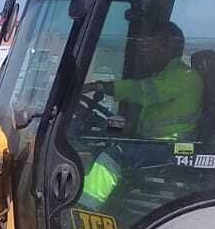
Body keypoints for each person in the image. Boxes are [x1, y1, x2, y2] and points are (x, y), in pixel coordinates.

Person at [78, 20, 202, 210]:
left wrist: (103, 86)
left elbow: (142, 92)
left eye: (150, 44)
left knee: (114, 155)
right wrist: (112, 125)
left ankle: (84, 210)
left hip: (173, 148)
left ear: (165, 46)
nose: (145, 50)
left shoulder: (184, 77)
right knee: (104, 136)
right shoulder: (166, 74)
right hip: (157, 142)